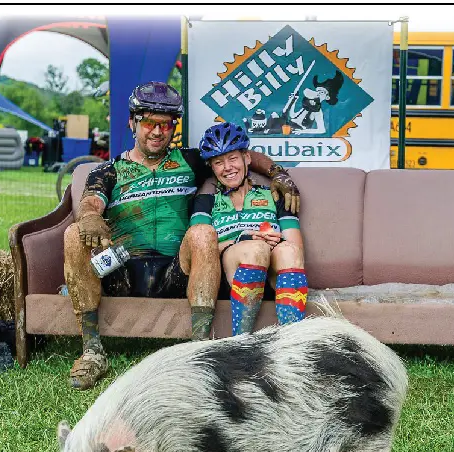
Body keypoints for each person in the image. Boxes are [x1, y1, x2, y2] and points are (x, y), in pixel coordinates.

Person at [64, 81, 301, 390]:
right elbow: (91, 200)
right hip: (120, 264)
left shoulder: (189, 161)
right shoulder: (109, 170)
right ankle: (92, 352)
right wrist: (91, 216)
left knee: (202, 232)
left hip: (176, 268)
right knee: (73, 234)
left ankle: (197, 351)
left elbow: (240, 155)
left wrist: (278, 173)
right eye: (149, 122)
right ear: (132, 123)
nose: (157, 131)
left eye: (166, 124)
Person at [190, 122, 307, 336]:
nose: (227, 168)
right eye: (218, 162)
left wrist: (276, 241)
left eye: (233, 158)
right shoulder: (206, 202)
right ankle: (241, 341)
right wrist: (241, 240)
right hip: (231, 277)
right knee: (254, 249)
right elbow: (200, 252)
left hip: (274, 275)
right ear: (212, 168)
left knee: (288, 250)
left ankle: (292, 340)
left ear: (247, 159)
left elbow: (296, 248)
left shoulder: (273, 195)